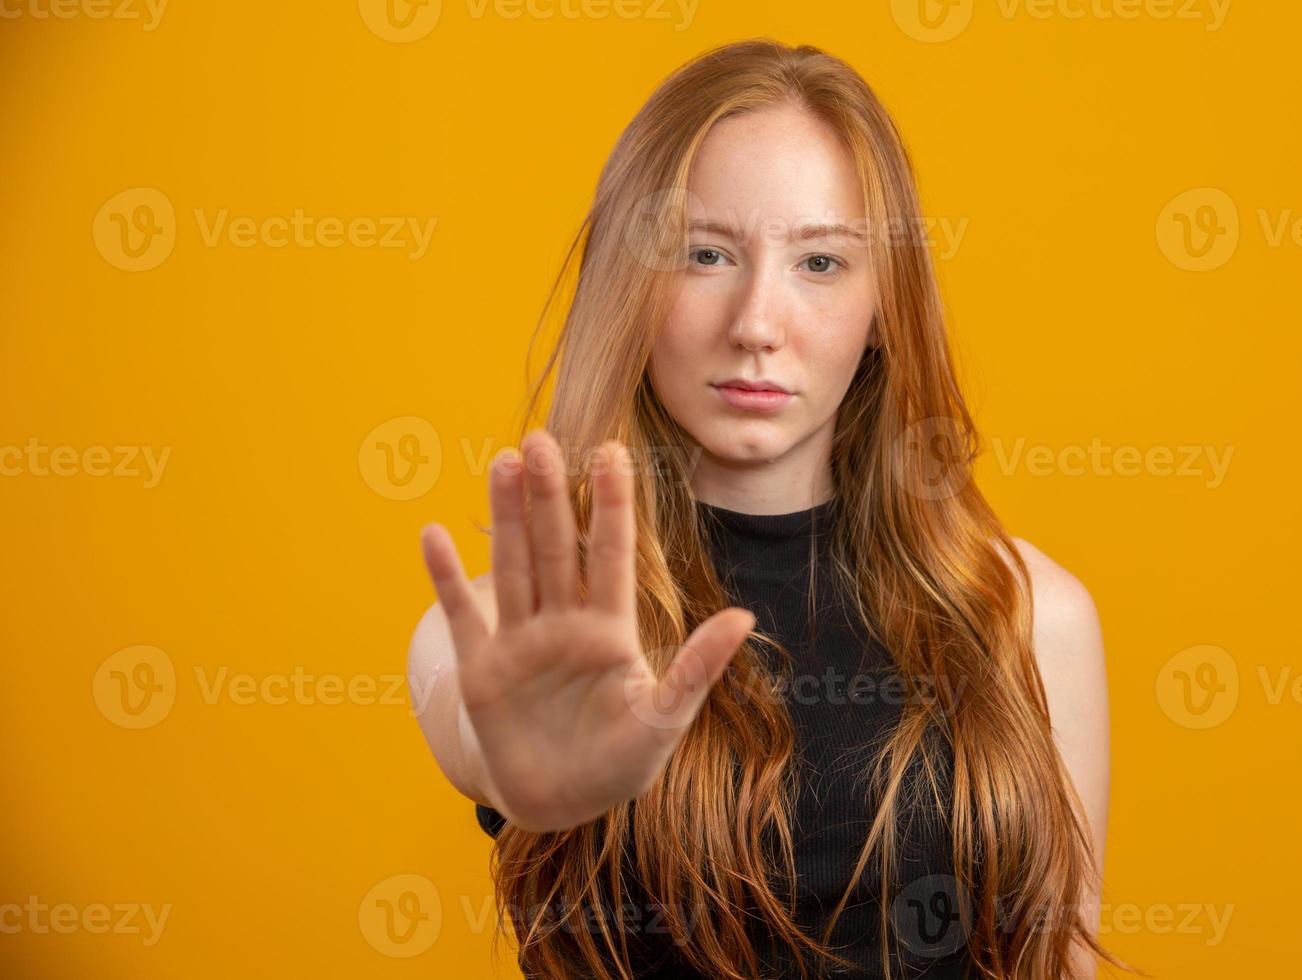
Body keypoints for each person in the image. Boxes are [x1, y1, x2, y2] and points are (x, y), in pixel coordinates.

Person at [408, 38, 1128, 980]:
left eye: (820, 263)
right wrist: (519, 768)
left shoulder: (1034, 621)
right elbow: (480, 731)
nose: (755, 322)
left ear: (885, 304)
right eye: (706, 254)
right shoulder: (507, 630)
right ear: (630, 287)